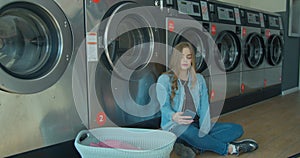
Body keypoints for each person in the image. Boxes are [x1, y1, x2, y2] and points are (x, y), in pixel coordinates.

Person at [156, 42, 258, 157]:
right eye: (181, 57)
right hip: (176, 126)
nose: (185, 60)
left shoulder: (199, 79)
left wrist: (204, 130)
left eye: (188, 57)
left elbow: (204, 106)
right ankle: (230, 148)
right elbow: (164, 107)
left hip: (196, 124)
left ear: (192, 60)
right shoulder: (164, 79)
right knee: (190, 133)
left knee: (236, 129)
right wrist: (174, 116)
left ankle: (194, 146)